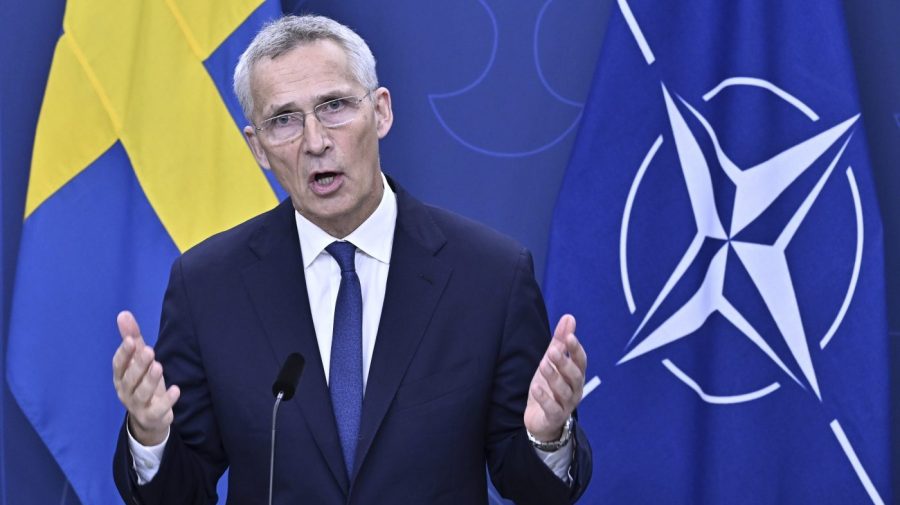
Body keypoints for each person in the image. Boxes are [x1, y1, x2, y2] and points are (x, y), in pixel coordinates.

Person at [112, 14, 591, 505]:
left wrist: (546, 436)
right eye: (284, 120)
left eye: (334, 106)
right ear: (257, 146)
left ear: (380, 112)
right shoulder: (208, 286)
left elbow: (534, 489)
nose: (315, 141)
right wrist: (151, 437)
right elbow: (180, 494)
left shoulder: (490, 275)